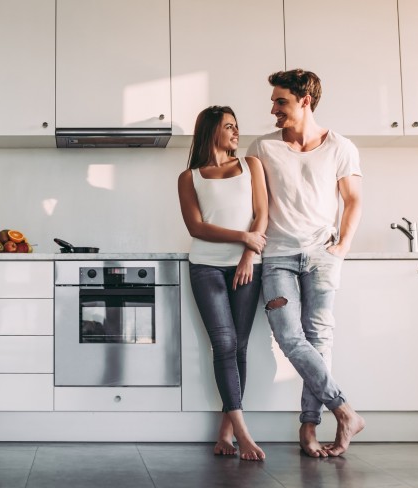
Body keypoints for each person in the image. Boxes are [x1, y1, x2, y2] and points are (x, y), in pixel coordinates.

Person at [246, 69, 365, 458]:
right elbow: (257, 208)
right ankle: (344, 410)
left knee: (319, 340)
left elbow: (353, 200)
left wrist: (342, 247)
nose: (273, 108)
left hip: (322, 256)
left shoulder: (341, 147)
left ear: (305, 101)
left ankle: (309, 426)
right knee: (289, 337)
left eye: (281, 101)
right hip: (277, 256)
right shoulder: (261, 148)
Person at [178, 106, 268, 461]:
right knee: (224, 342)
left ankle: (225, 433)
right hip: (205, 266)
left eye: (236, 125)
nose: (235, 131)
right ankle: (243, 434)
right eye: (228, 126)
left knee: (240, 346)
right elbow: (196, 228)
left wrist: (249, 252)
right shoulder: (190, 177)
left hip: (248, 265)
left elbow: (262, 214)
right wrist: (244, 237)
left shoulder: (250, 165)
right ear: (211, 130)